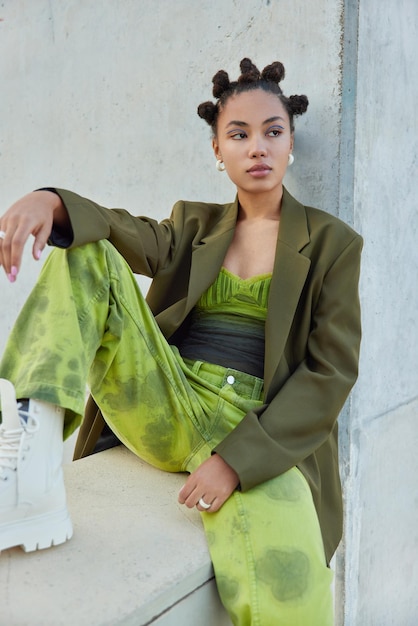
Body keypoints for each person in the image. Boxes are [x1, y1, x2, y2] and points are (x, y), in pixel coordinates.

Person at [0, 58, 362, 625]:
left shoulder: (333, 244)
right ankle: (23, 464)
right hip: (170, 395)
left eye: (273, 131)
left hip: (257, 425)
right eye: (238, 134)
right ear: (218, 151)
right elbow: (126, 232)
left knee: (293, 585)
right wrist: (53, 201)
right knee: (89, 253)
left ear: (291, 142)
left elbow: (329, 374)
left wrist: (237, 462)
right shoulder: (193, 224)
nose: (258, 147)